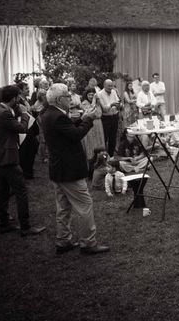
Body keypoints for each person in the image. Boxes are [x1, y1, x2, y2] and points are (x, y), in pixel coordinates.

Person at [39, 83, 110, 255]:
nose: (70, 99)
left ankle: (63, 241)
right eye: (67, 96)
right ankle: (88, 243)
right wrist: (89, 119)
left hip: (58, 169)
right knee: (85, 204)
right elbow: (76, 135)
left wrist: (82, 118)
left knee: (63, 207)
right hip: (69, 169)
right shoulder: (58, 116)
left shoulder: (50, 114)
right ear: (58, 99)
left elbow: (69, 129)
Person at [0, 85, 46, 236]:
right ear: (14, 98)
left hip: (1, 156)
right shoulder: (3, 113)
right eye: (18, 98)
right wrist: (25, 113)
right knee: (21, 191)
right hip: (7, 158)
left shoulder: (0, 111)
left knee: (3, 190)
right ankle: (26, 227)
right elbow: (22, 128)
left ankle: (4, 223)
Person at [96, 79, 121, 156]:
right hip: (106, 118)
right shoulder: (100, 94)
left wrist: (118, 105)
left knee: (113, 137)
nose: (111, 87)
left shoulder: (113, 92)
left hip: (115, 116)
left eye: (112, 86)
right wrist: (112, 104)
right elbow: (104, 109)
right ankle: (103, 157)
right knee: (105, 138)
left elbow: (117, 102)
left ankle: (111, 156)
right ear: (104, 85)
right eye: (109, 86)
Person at [81, 88, 107, 159]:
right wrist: (94, 101)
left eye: (93, 95)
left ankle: (100, 158)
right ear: (86, 95)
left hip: (98, 124)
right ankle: (90, 158)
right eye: (89, 95)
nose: (91, 96)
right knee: (91, 142)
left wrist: (96, 102)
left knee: (99, 141)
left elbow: (99, 113)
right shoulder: (84, 103)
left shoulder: (97, 103)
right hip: (90, 124)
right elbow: (90, 112)